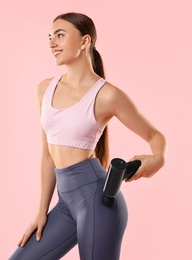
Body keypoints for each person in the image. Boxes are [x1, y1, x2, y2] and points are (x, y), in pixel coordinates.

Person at [9, 12, 166, 260]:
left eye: (60, 36)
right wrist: (41, 211)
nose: (51, 43)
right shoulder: (44, 89)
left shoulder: (107, 95)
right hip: (65, 204)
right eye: (50, 37)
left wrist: (158, 158)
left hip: (97, 201)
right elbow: (47, 155)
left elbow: (155, 135)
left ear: (84, 42)